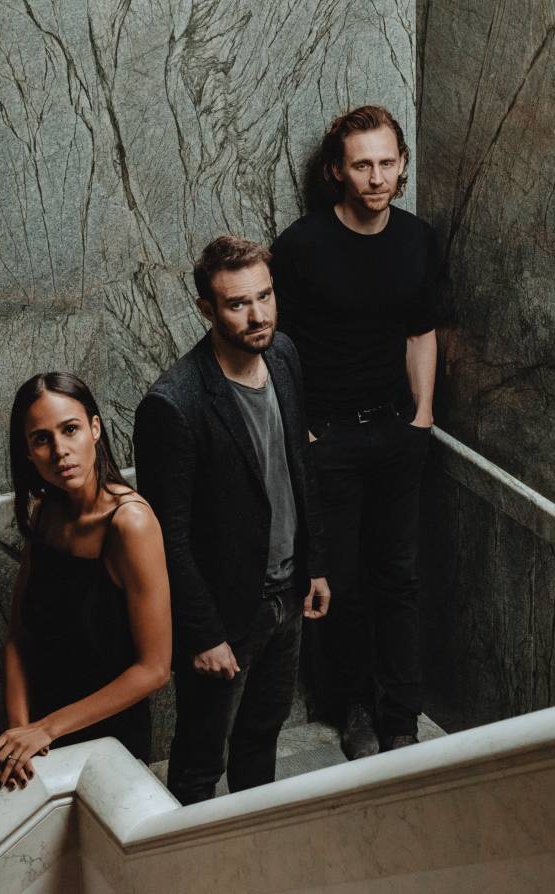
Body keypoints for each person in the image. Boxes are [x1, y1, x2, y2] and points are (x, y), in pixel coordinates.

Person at [133, 236, 330, 805]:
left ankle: (253, 844)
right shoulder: (174, 404)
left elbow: (299, 466)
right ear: (207, 308)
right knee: (200, 760)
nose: (258, 315)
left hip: (286, 596)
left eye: (265, 296)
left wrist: (314, 565)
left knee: (261, 736)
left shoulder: (284, 355)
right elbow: (168, 537)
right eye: (238, 303)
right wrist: (203, 634)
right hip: (225, 615)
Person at [271, 105, 437, 758]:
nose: (376, 177)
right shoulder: (301, 246)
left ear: (402, 165)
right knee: (341, 582)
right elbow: (278, 350)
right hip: (328, 440)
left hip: (397, 430)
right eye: (362, 165)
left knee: (400, 577)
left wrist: (422, 417)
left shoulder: (417, 239)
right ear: (337, 171)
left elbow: (421, 333)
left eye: (387, 163)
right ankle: (356, 709)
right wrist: (307, 435)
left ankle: (402, 716)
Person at [0, 372, 171, 790]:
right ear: (27, 452)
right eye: (41, 439)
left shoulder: (130, 523)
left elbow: (155, 668)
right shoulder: (47, 513)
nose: (60, 451)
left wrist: (45, 730)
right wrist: (20, 735)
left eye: (70, 429)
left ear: (95, 428)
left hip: (108, 736)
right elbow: (17, 638)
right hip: (39, 734)